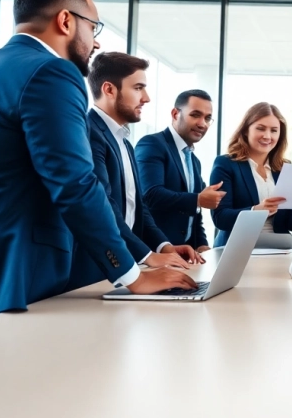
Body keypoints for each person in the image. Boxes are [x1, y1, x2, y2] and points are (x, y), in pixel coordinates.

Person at [0, 0, 195, 334]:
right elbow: (75, 183)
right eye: (93, 26)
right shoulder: (52, 72)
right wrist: (132, 276)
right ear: (65, 21)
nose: (95, 41)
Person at [83, 52, 203, 289]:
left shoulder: (125, 142)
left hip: (129, 268)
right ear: (109, 89)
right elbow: (103, 205)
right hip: (97, 268)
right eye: (138, 88)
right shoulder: (89, 133)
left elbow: (139, 208)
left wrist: (163, 247)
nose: (146, 98)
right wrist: (147, 256)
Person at [210, 103, 292, 247]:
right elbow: (221, 218)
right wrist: (256, 210)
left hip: (280, 248)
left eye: (274, 131)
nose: (267, 136)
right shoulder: (226, 164)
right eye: (260, 128)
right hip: (238, 248)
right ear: (245, 131)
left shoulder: (284, 169)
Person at [137, 89, 224, 254]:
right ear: (175, 114)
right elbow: (150, 195)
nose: (202, 124)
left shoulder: (194, 160)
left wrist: (202, 245)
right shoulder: (152, 144)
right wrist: (198, 199)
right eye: (195, 115)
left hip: (184, 254)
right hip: (153, 251)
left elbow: (194, 214)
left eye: (207, 118)